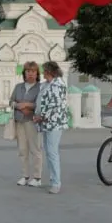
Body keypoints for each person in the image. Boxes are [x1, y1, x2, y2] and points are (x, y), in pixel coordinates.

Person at [34, 61, 68, 193]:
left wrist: (41, 116)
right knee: (48, 152)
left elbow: (55, 105)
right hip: (47, 123)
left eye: (44, 70)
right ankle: (53, 179)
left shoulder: (58, 85)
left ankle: (56, 183)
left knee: (52, 152)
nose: (42, 73)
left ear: (49, 72)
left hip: (54, 122)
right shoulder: (47, 84)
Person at [9, 62, 42, 187]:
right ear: (24, 73)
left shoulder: (40, 87)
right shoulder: (18, 87)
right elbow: (11, 101)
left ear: (37, 73)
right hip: (19, 121)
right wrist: (19, 106)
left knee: (35, 149)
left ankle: (37, 177)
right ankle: (25, 176)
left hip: (32, 121)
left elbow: (40, 104)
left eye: (33, 71)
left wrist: (27, 105)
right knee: (22, 150)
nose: (30, 74)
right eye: (28, 71)